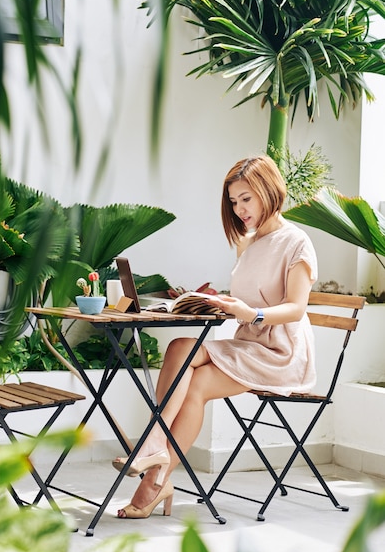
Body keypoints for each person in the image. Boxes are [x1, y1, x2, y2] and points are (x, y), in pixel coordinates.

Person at [112, 154, 318, 519]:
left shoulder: (297, 243)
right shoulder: (247, 243)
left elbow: (296, 308)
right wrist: (215, 304)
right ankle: (157, 455)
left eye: (246, 199)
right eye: (234, 201)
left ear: (269, 191)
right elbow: (248, 297)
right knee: (179, 348)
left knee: (195, 381)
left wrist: (249, 313)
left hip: (280, 352)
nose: (239, 209)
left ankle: (154, 465)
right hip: (247, 342)